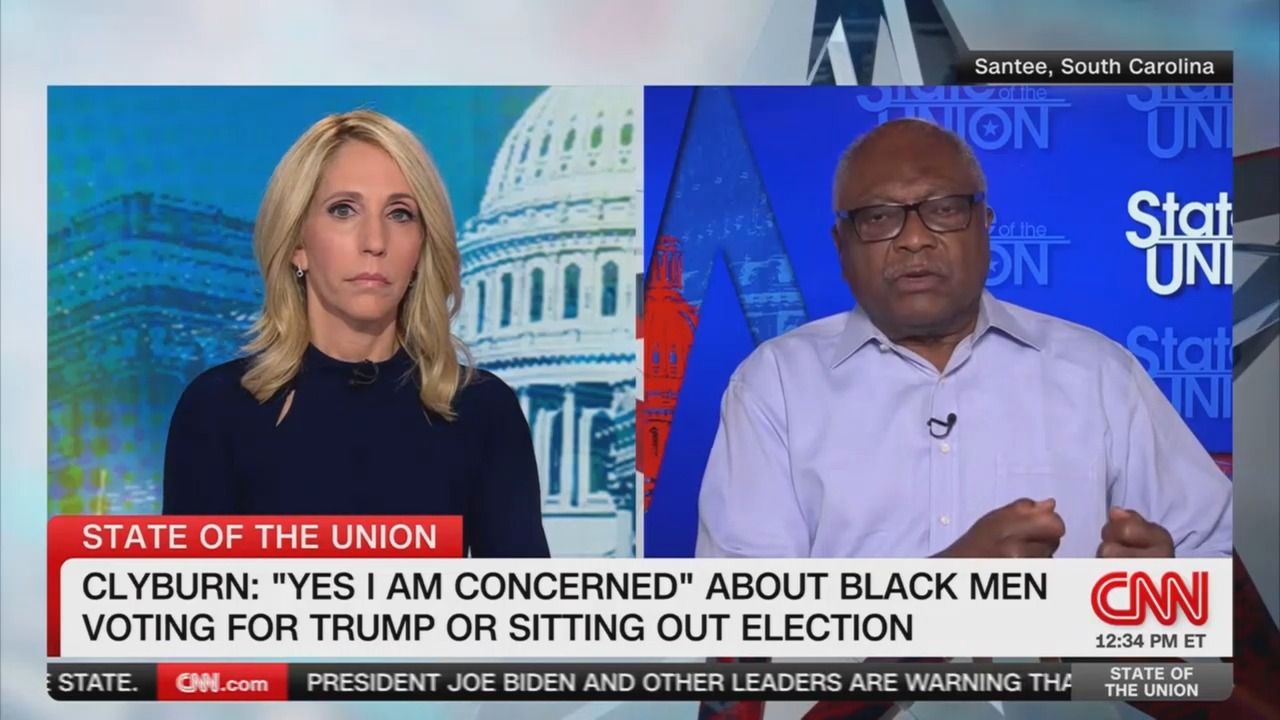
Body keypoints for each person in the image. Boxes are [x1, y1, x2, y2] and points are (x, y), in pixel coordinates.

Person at [696, 118, 1231, 560]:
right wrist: (954, 585)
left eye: (944, 210)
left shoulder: (1098, 374)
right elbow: (743, 614)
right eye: (879, 218)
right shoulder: (777, 385)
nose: (914, 239)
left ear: (985, 225)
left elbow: (1215, 556)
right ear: (841, 245)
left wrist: (1165, 584)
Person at [163, 110, 550, 558]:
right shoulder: (218, 409)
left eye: (400, 214)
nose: (375, 241)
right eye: (343, 210)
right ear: (297, 244)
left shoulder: (481, 410)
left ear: (421, 248)